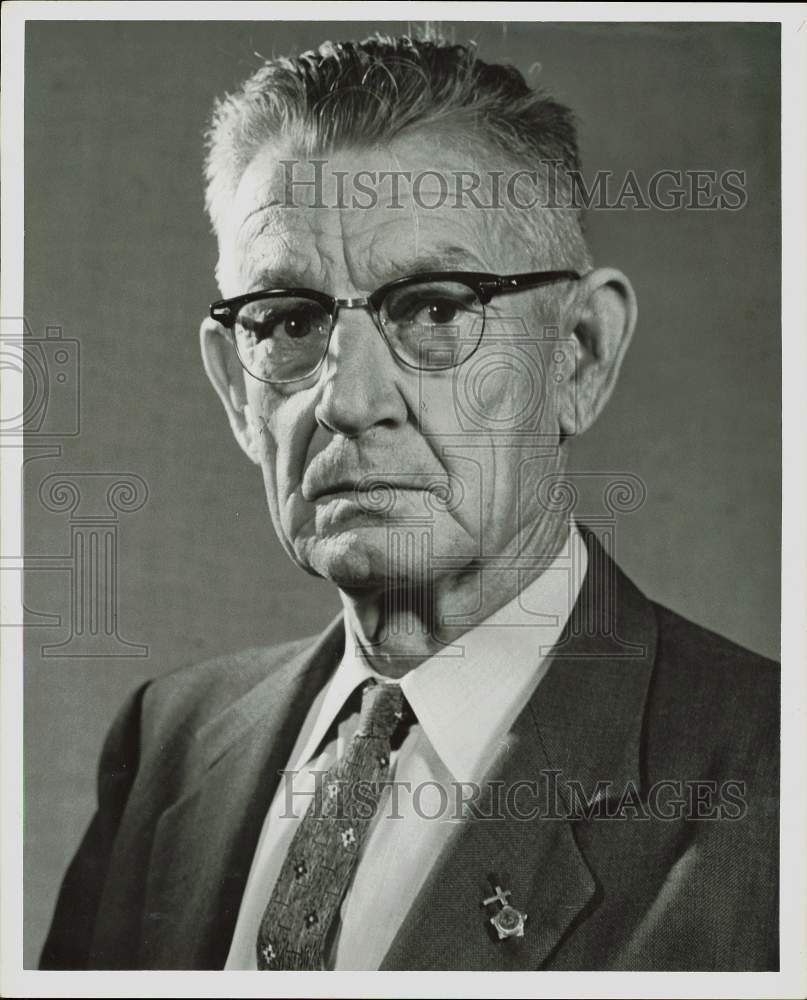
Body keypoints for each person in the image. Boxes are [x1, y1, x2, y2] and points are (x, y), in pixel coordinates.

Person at [40, 35, 778, 972]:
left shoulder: (767, 780)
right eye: (291, 322)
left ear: (578, 354)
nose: (347, 400)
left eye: (433, 308)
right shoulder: (168, 744)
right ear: (236, 387)